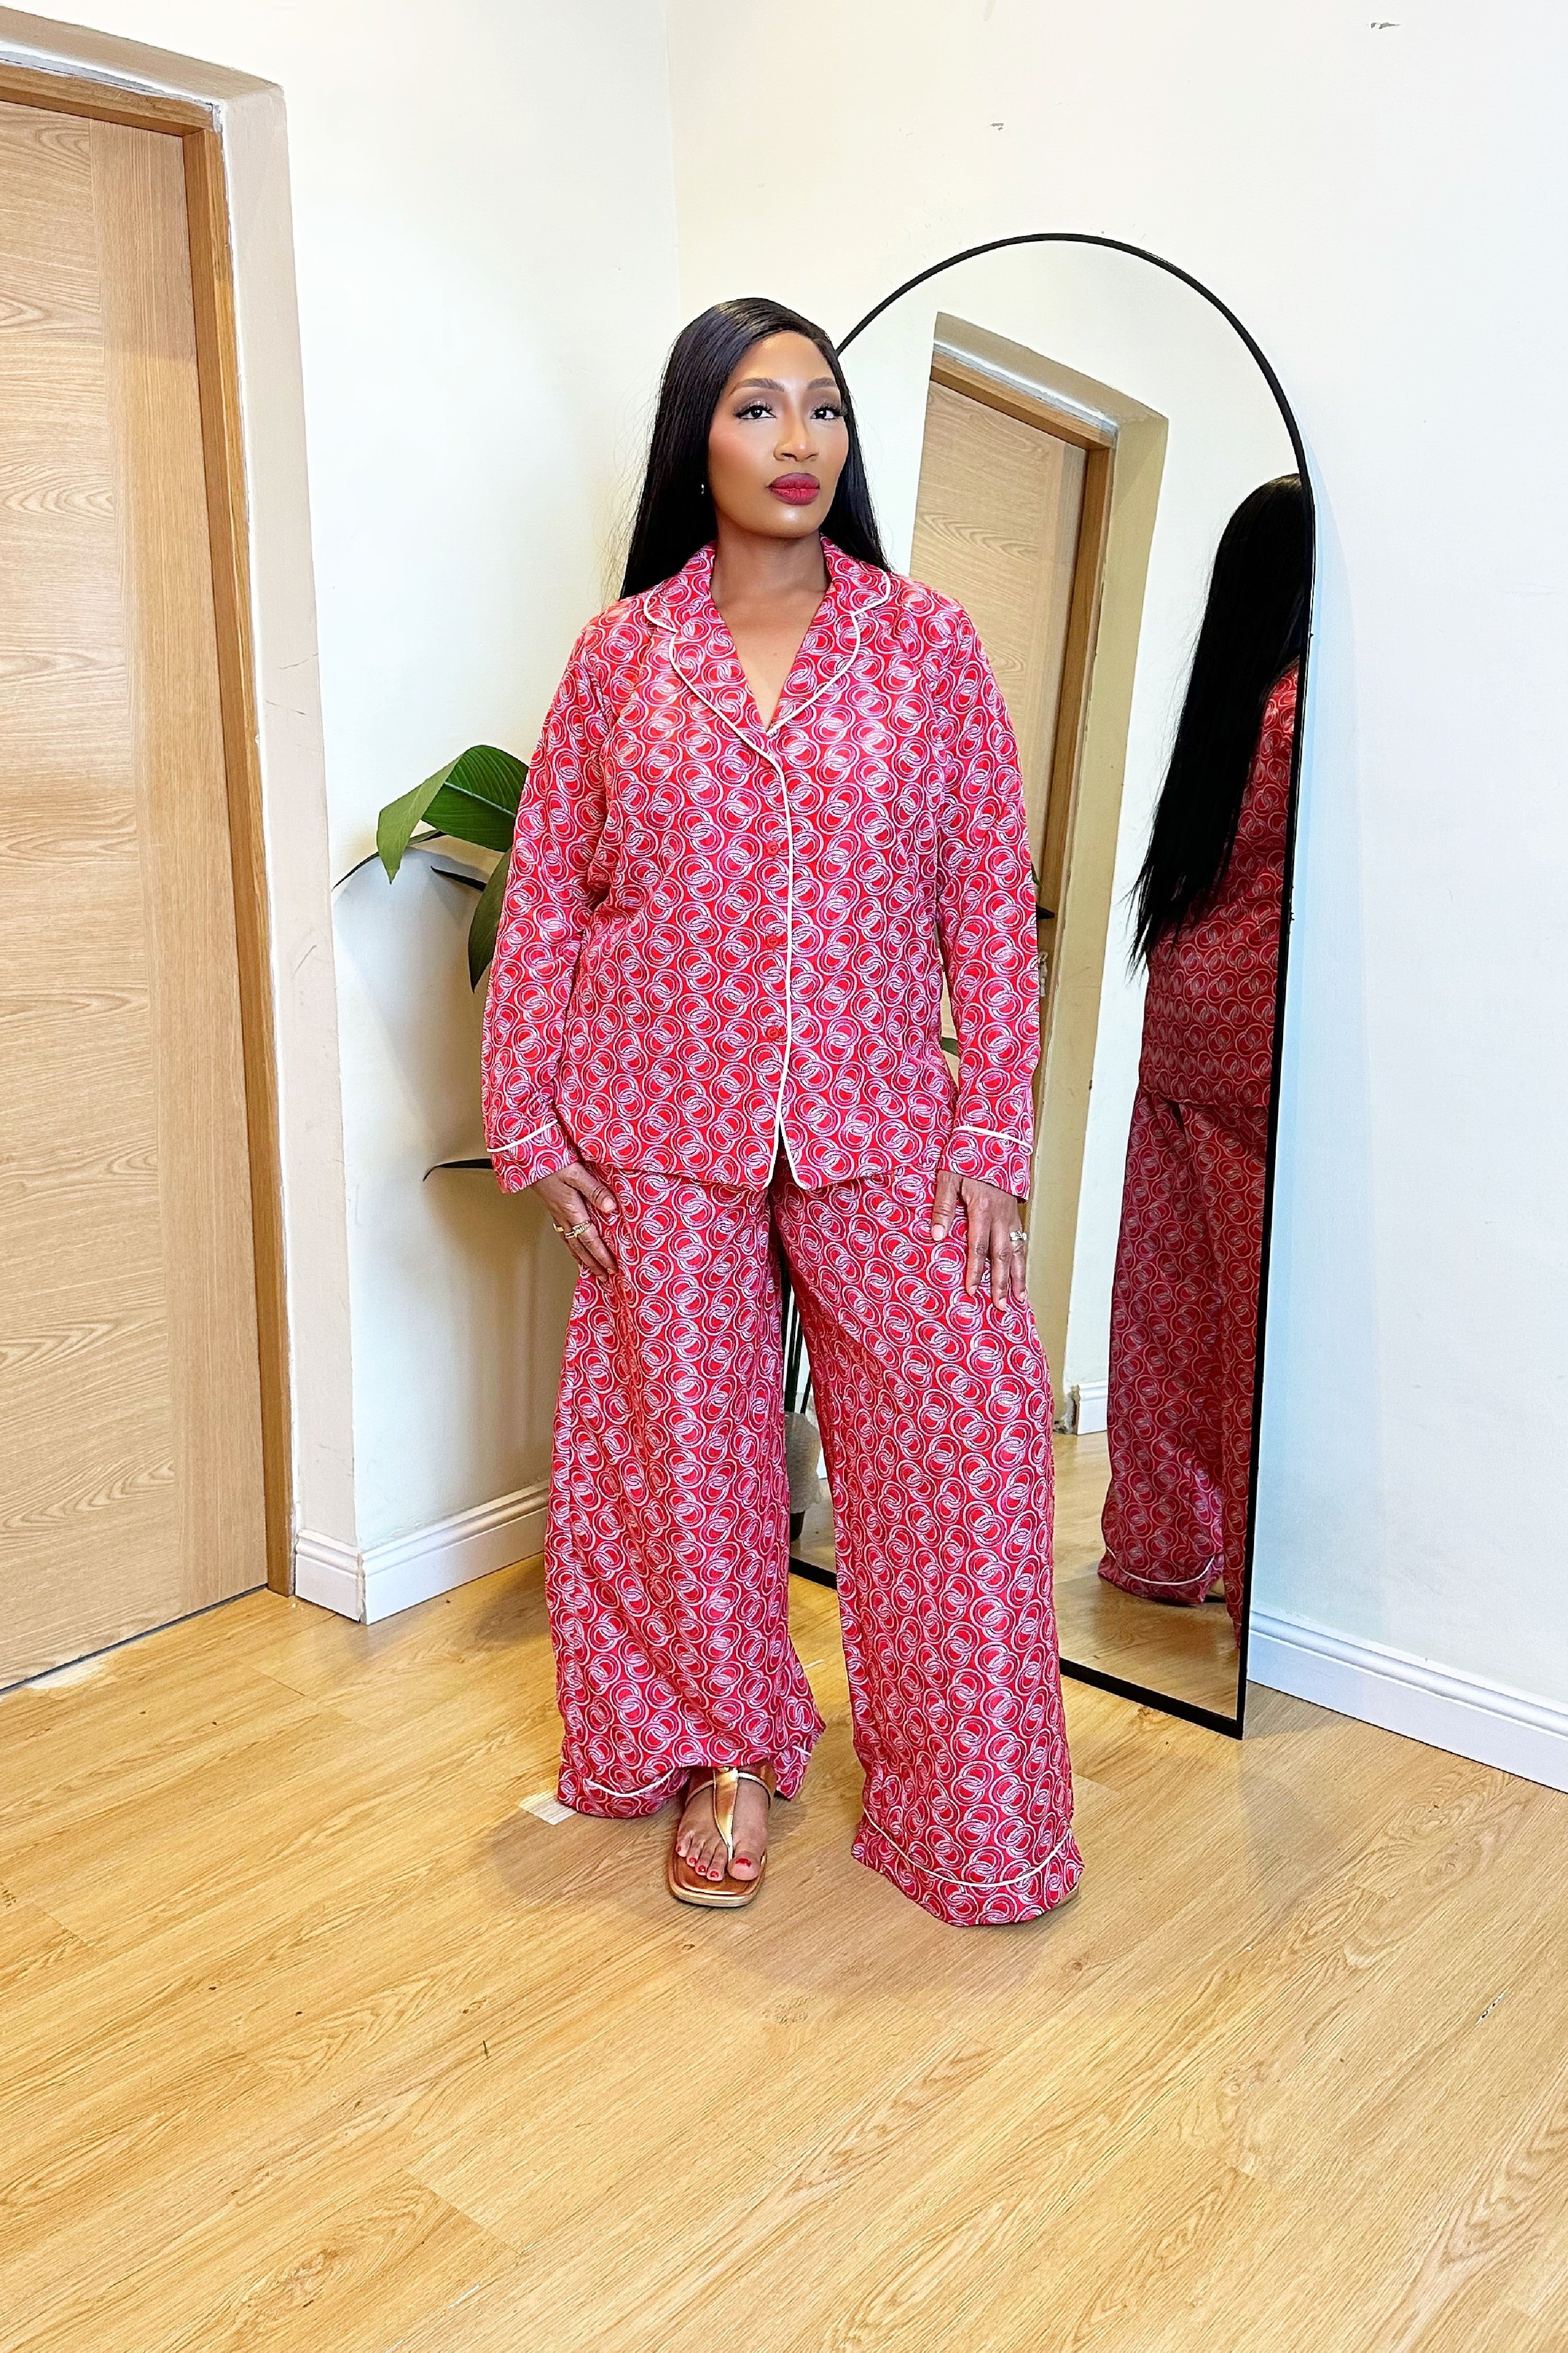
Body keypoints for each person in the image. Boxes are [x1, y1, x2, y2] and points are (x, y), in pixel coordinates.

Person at [482, 296, 1081, 1927]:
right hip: (654, 1115)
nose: (799, 440)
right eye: (758, 408)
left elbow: (987, 911)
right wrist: (530, 1130)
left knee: (965, 1422)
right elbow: (544, 896)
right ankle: (725, 1751)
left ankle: (968, 1801)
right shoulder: (622, 655)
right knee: (686, 1458)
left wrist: (991, 1139)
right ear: (697, 437)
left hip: (881, 1118)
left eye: (822, 408)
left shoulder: (927, 647)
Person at [1098, 477, 1307, 1634]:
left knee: (1170, 1295)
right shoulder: (1300, 705)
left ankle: (1164, 1544)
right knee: (1258, 1309)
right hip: (1259, 1041)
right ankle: (1273, 1565)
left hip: (1180, 1021)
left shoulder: (1222, 711)